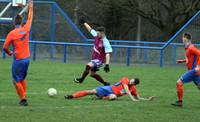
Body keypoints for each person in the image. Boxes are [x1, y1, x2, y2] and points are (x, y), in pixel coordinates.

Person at [3, 0, 33, 106]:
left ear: (14, 23)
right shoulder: (26, 28)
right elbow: (30, 18)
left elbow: (5, 47)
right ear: (21, 22)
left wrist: (9, 53)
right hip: (27, 59)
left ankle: (23, 99)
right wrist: (31, 7)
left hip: (18, 59)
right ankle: (23, 95)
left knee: (15, 80)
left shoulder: (12, 33)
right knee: (22, 78)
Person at [74, 16, 112, 86]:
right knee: (92, 74)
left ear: (102, 33)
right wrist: (84, 23)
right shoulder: (97, 36)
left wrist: (107, 64)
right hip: (94, 59)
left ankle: (81, 79)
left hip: (100, 60)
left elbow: (107, 54)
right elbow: (90, 29)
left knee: (88, 65)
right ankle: (105, 83)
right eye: (96, 33)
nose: (96, 34)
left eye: (98, 33)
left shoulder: (106, 42)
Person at [65, 77, 154, 101]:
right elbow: (126, 90)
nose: (131, 81)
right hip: (108, 89)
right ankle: (72, 96)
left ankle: (102, 98)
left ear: (134, 84)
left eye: (133, 82)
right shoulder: (125, 79)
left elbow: (138, 97)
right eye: (131, 80)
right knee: (90, 91)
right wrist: (132, 99)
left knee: (113, 97)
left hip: (112, 94)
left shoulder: (133, 89)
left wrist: (147, 99)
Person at [172, 32, 200, 107]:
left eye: (183, 38)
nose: (182, 39)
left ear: (186, 39)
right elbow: (190, 59)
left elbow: (199, 54)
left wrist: (198, 66)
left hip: (194, 71)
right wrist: (182, 61)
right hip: (195, 72)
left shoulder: (191, 47)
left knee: (179, 83)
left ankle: (180, 102)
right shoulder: (187, 48)